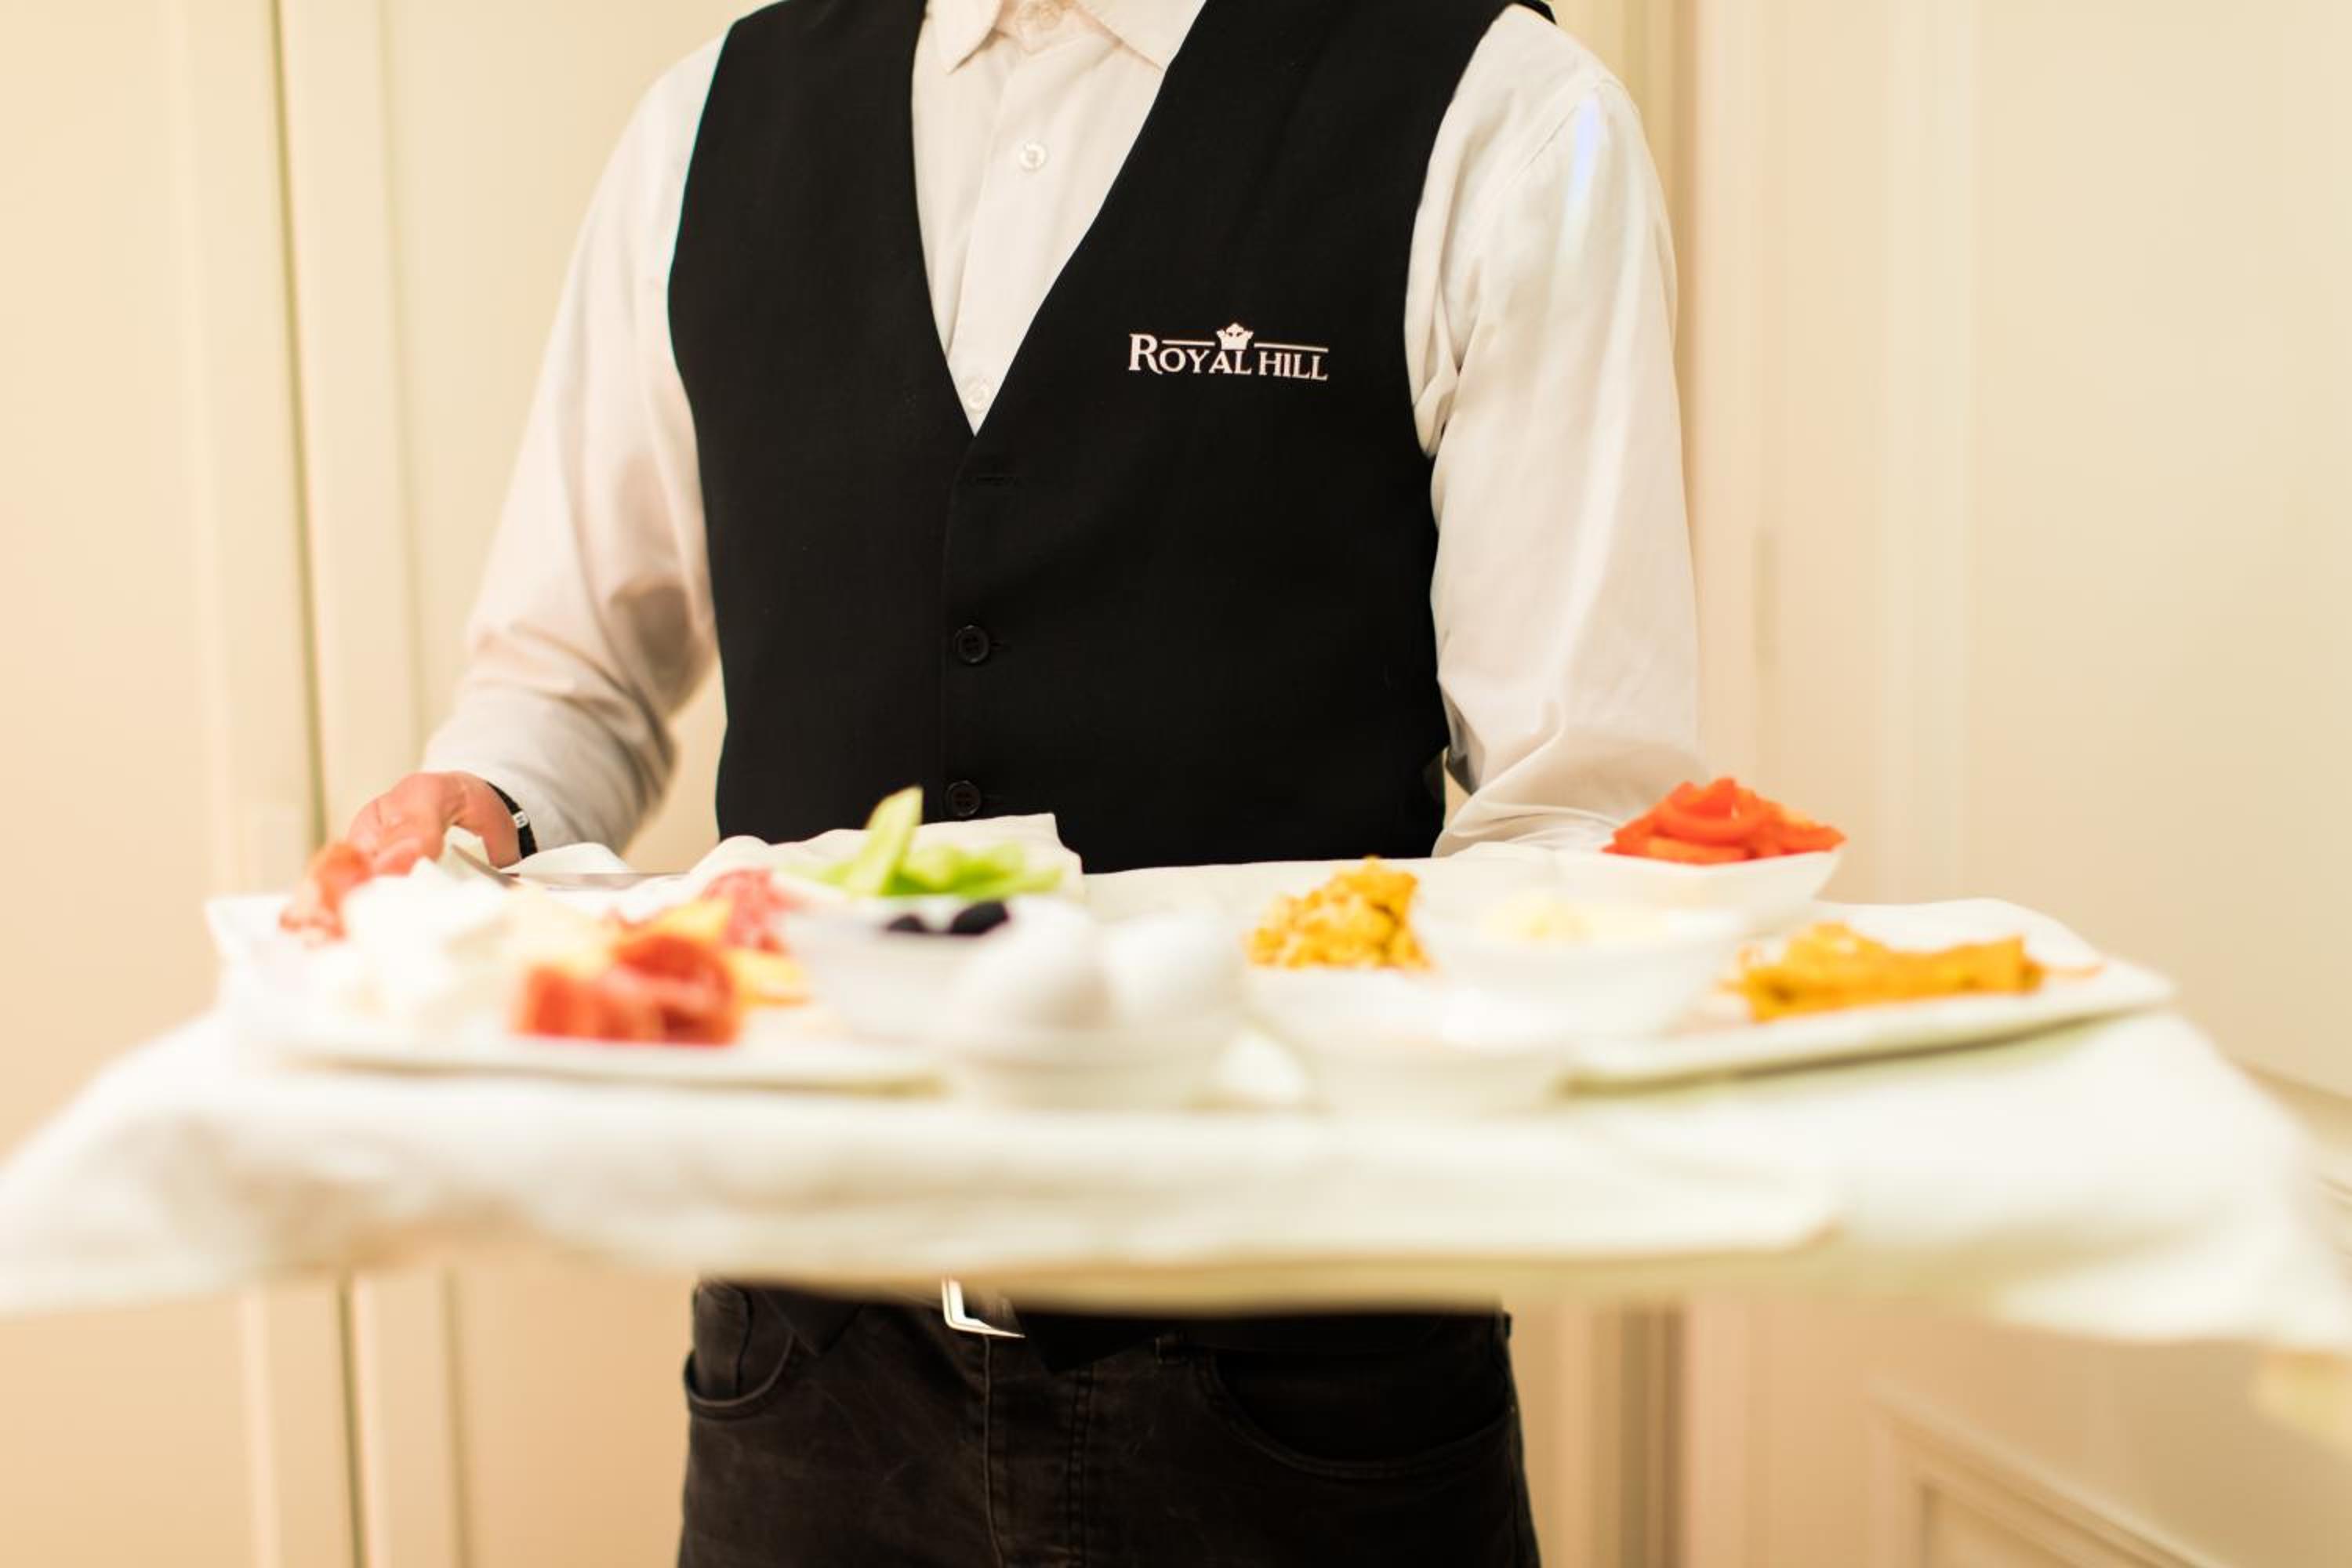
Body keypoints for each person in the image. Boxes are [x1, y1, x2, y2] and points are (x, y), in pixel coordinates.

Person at [344, 0, 1698, 1560]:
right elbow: (569, 677)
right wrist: (488, 799)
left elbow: (1575, 819)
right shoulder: (706, 121)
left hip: (1305, 1392)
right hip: (799, 1375)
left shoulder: (1502, 112)